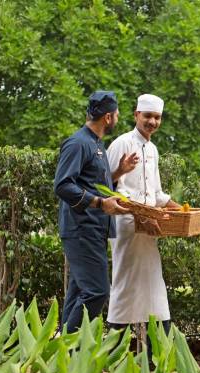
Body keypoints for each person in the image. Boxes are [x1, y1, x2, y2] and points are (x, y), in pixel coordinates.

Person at [54, 91, 138, 333]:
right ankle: (67, 346)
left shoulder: (95, 144)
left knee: (80, 290)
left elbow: (88, 183)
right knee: (97, 291)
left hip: (95, 229)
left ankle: (64, 356)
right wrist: (101, 204)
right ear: (108, 117)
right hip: (81, 230)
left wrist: (118, 172)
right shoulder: (78, 143)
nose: (118, 118)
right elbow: (62, 185)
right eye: (118, 114)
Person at [106, 93, 180, 341]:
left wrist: (182, 211)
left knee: (154, 288)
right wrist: (141, 214)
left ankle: (154, 355)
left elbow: (156, 195)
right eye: (148, 116)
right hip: (127, 226)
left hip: (150, 229)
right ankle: (113, 351)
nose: (152, 122)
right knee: (125, 285)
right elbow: (110, 188)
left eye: (157, 117)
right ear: (136, 115)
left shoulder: (153, 149)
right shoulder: (122, 144)